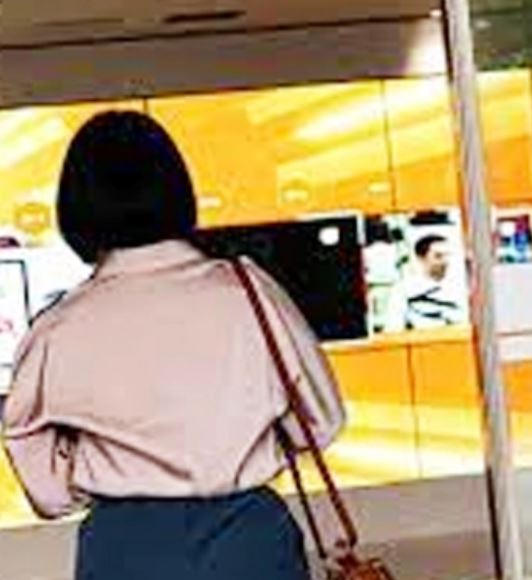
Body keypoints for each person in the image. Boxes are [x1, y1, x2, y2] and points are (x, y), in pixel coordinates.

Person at [1, 111, 345, 580]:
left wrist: (80, 483)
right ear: (178, 191)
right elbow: (320, 421)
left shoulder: (58, 328)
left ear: (76, 206)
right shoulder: (248, 292)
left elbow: (35, 461)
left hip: (125, 548)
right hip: (248, 537)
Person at [384, 233, 468, 332]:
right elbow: (393, 330)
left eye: (447, 256)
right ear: (421, 258)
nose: (445, 261)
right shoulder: (404, 291)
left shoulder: (459, 288)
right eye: (438, 256)